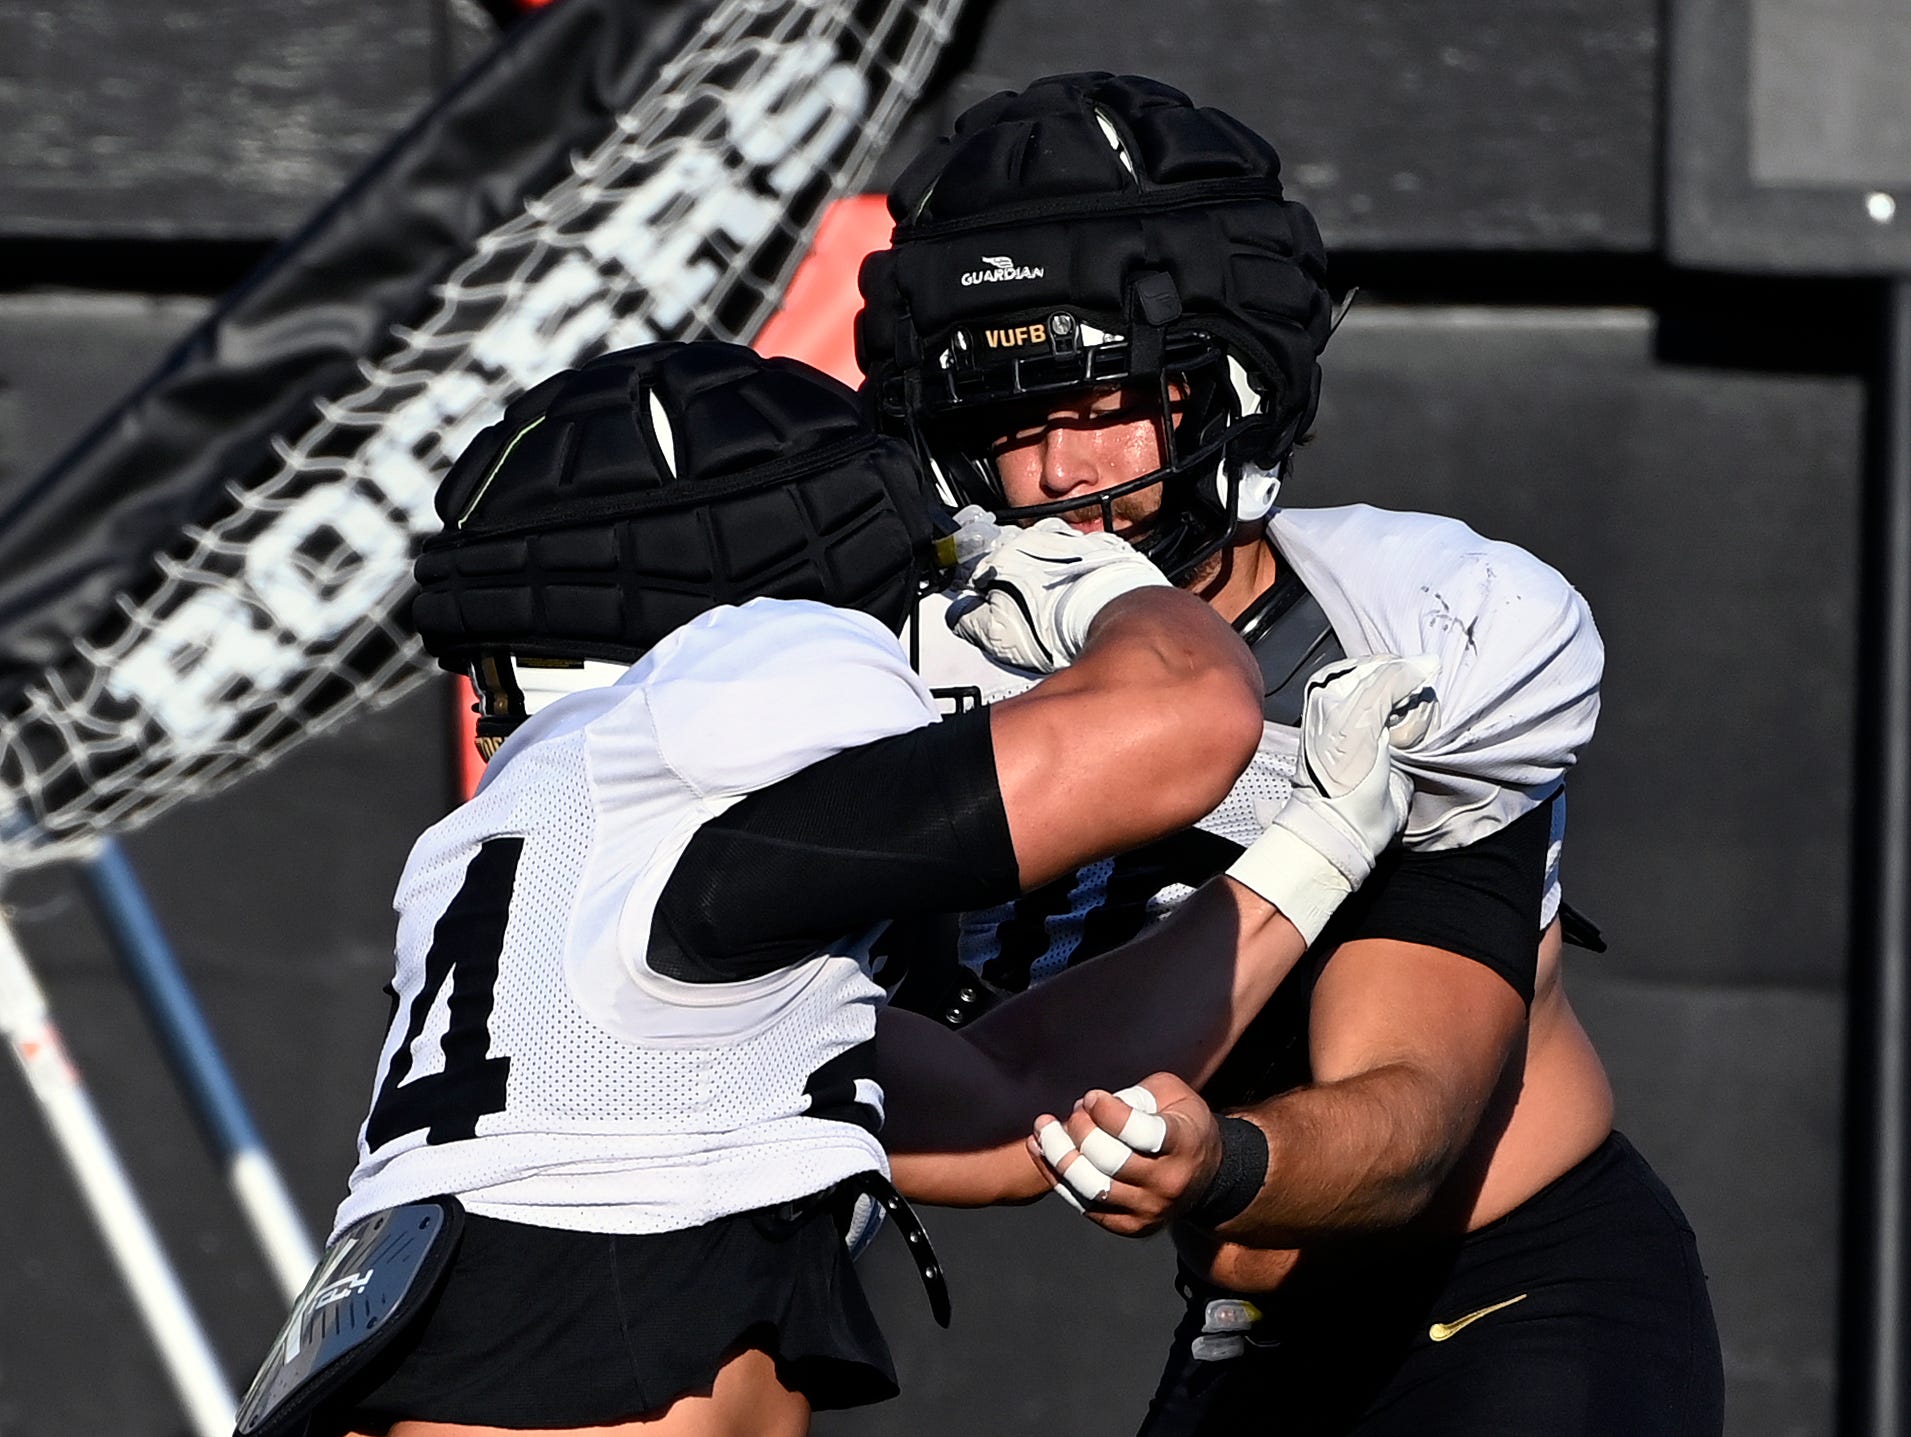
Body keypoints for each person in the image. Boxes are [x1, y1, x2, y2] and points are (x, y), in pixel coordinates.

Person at [231, 339, 1437, 1437]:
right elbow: (1184, 719)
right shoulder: (710, 709)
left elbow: (1016, 1111)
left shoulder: (570, 889)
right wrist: (1080, 577)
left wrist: (1312, 854)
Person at [856, 72, 1724, 1435]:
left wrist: (1223, 1160)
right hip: (1238, 1332)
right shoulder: (909, 679)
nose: (1059, 470)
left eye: (1108, 396)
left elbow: (1411, 1120)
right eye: (1008, 418)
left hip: (1497, 1302)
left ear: (1233, 380)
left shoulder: (1396, 648)